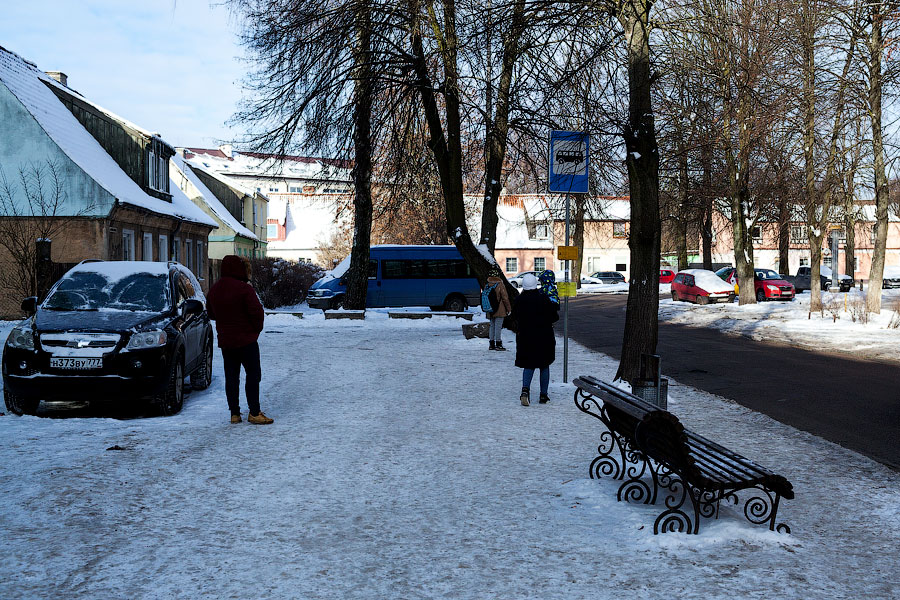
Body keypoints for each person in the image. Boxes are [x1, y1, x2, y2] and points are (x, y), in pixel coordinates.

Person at [206, 255, 273, 425]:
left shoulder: (214, 289)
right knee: (253, 374)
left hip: (227, 342)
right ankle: (254, 412)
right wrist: (255, 330)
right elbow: (256, 312)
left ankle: (234, 414)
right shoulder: (245, 289)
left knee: (231, 376)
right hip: (246, 341)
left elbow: (211, 313)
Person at [512, 273, 559, 406]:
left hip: (526, 338)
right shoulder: (543, 298)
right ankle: (543, 395)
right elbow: (554, 317)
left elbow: (513, 317)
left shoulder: (519, 300)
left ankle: (525, 391)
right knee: (544, 365)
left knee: (529, 364)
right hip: (544, 337)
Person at [484, 266, 512, 351]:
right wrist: (508, 309)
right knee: (498, 326)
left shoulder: (487, 285)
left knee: (492, 326)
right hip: (500, 309)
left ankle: (491, 344)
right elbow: (505, 298)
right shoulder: (500, 285)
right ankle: (498, 344)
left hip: (490, 309)